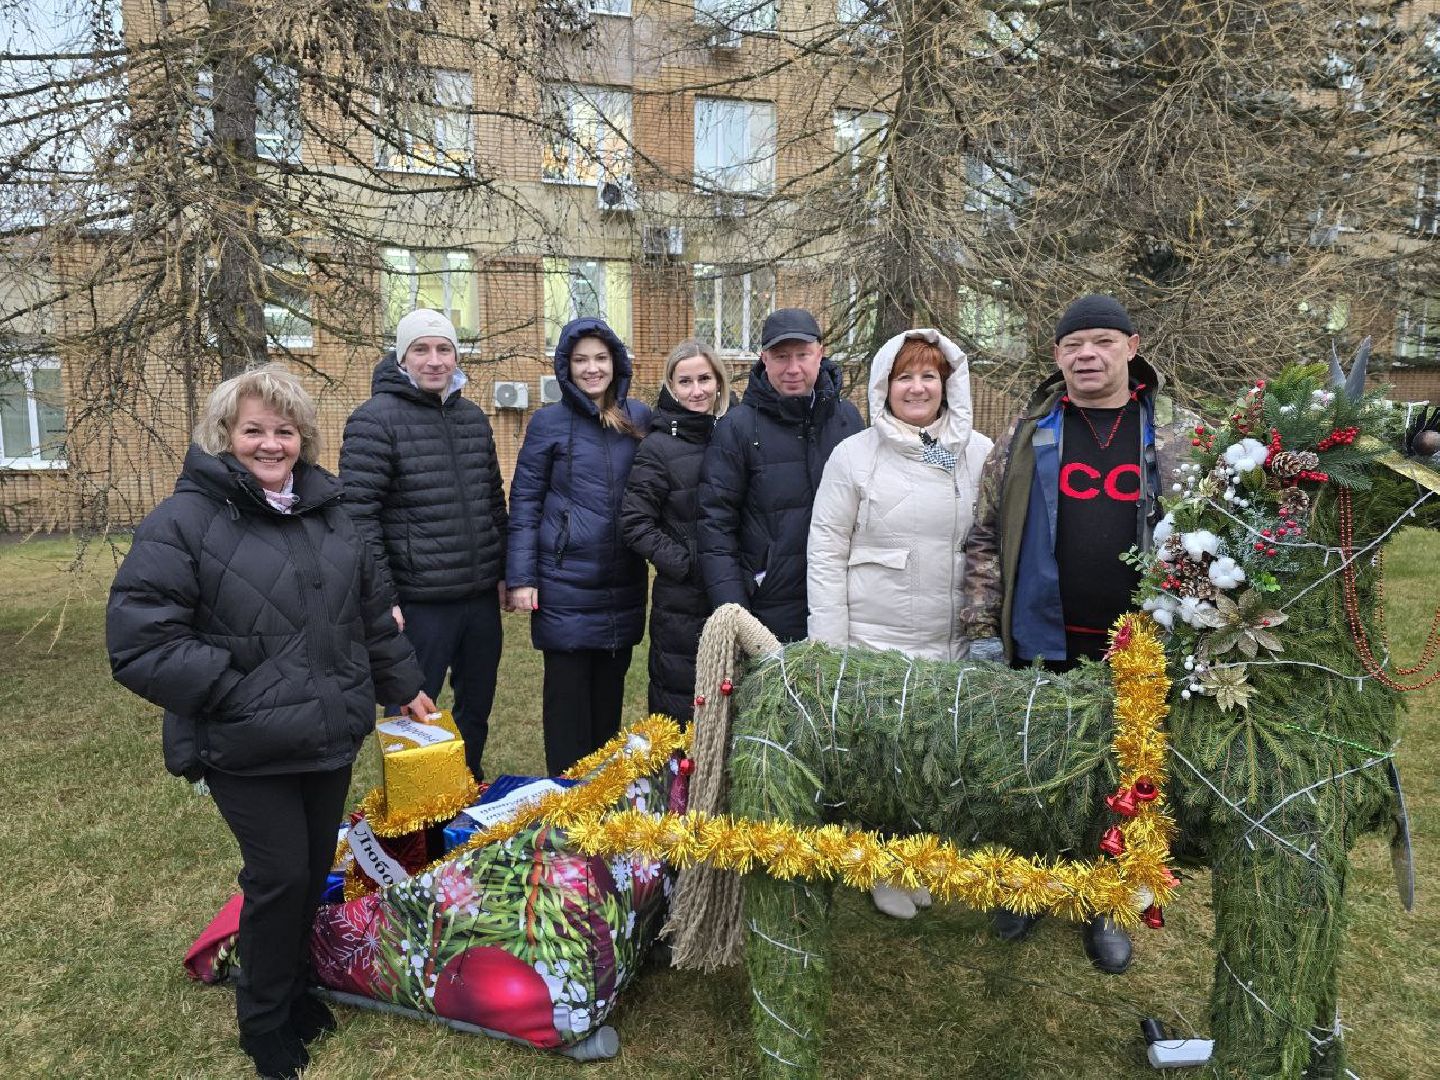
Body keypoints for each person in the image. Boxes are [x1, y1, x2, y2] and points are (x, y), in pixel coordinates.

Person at [106, 365, 434, 1079]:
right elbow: (140, 644)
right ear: (226, 436)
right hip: (242, 741)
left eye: (284, 431)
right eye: (253, 429)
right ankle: (262, 1020)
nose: (270, 443)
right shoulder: (184, 520)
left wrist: (403, 684)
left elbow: (369, 614)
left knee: (313, 870)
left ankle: (293, 991)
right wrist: (238, 690)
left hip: (327, 733)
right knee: (280, 876)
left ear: (303, 439)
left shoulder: (331, 511)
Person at [961, 294, 1192, 973]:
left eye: (1100, 341)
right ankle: (1030, 884)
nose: (1086, 355)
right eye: (1072, 345)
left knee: (1121, 780)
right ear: (1057, 356)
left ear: (1131, 346)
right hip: (1042, 641)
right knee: (1033, 769)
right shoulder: (1027, 437)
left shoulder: (1178, 436)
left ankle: (1105, 902)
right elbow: (983, 538)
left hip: (1140, 650)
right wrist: (980, 630)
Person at [807, 328, 993, 919]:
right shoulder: (855, 455)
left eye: (928, 376)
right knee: (883, 758)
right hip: (875, 638)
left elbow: (992, 543)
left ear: (948, 384)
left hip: (949, 638)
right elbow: (827, 550)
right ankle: (884, 865)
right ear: (884, 386)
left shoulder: (978, 453)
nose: (917, 387)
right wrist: (828, 645)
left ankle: (922, 854)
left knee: (937, 756)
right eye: (904, 377)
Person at [338, 308, 507, 784]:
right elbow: (359, 517)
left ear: (456, 355)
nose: (434, 360)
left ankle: (466, 789)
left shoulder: (473, 418)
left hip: (477, 599)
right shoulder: (375, 420)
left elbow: (493, 501)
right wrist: (384, 597)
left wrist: (503, 571)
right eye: (421, 349)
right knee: (413, 712)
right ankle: (414, 813)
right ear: (402, 357)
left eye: (444, 349)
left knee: (476, 708)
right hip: (418, 602)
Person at [507, 316, 652, 775]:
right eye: (580, 360)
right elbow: (525, 502)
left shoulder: (639, 418)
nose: (592, 369)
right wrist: (522, 577)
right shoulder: (548, 422)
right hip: (563, 586)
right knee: (568, 714)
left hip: (622, 587)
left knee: (607, 714)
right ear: (566, 367)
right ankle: (564, 813)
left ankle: (599, 818)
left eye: (601, 358)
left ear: (616, 363)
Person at [696, 308, 863, 643]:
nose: (793, 368)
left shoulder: (847, 420)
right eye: (781, 357)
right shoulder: (738, 427)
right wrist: (736, 617)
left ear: (820, 353)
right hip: (767, 608)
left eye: (802, 355)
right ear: (764, 359)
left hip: (842, 604)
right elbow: (715, 526)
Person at [620, 340, 733, 724]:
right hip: (681, 603)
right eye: (685, 381)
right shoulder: (657, 446)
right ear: (671, 385)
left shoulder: (730, 435)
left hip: (732, 591)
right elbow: (634, 523)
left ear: (719, 382)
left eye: (704, 378)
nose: (696, 390)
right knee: (682, 711)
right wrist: (686, 564)